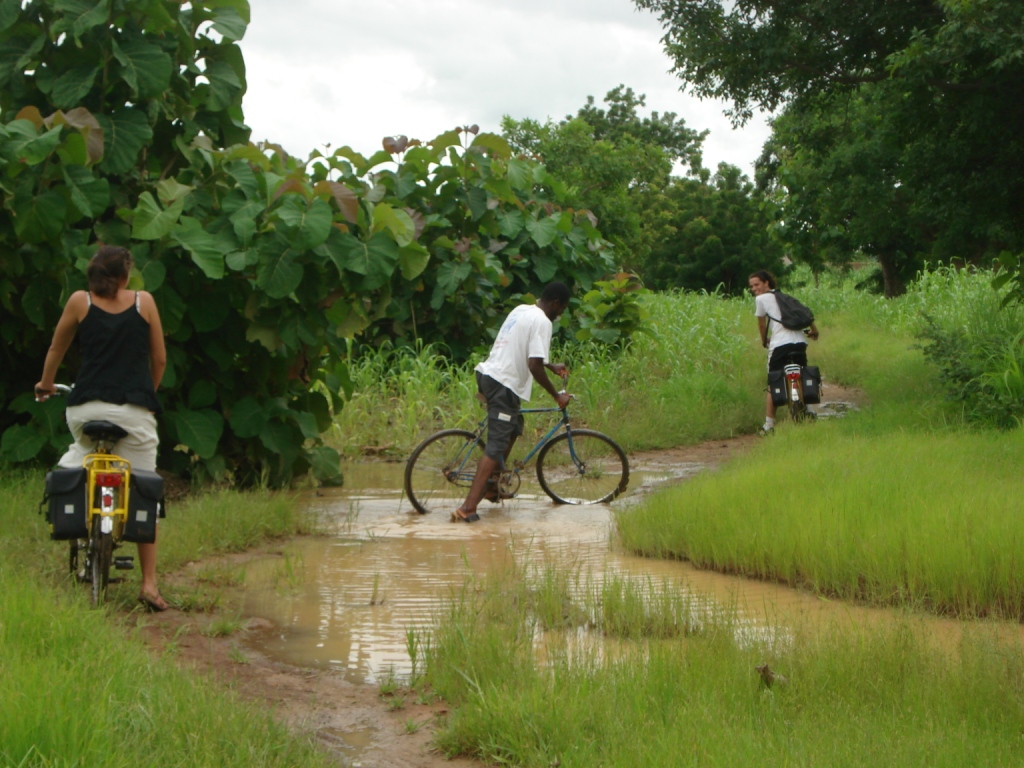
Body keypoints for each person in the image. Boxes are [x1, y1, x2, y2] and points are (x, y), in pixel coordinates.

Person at [35, 245, 169, 611]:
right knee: (143, 482)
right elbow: (159, 358)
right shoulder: (145, 302)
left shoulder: (81, 301)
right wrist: (145, 396)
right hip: (135, 412)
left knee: (80, 456)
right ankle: (149, 584)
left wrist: (46, 384)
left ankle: (79, 513)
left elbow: (56, 349)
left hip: (85, 408)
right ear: (126, 275)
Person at [453, 282, 572, 523]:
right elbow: (533, 366)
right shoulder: (543, 321)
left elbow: (527, 350)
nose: (560, 314)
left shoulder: (522, 310)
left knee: (514, 425)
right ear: (557, 303)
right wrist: (556, 395)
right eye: (562, 309)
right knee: (496, 444)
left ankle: (491, 485)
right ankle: (467, 507)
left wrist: (551, 365)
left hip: (488, 375)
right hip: (503, 385)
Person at [747, 270, 819, 435]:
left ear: (767, 283)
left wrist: (764, 340)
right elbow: (807, 316)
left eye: (757, 284)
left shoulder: (761, 299)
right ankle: (810, 410)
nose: (754, 288)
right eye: (752, 286)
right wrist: (814, 332)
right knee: (802, 373)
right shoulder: (786, 298)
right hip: (800, 343)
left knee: (774, 381)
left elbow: (761, 325)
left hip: (779, 345)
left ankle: (769, 425)